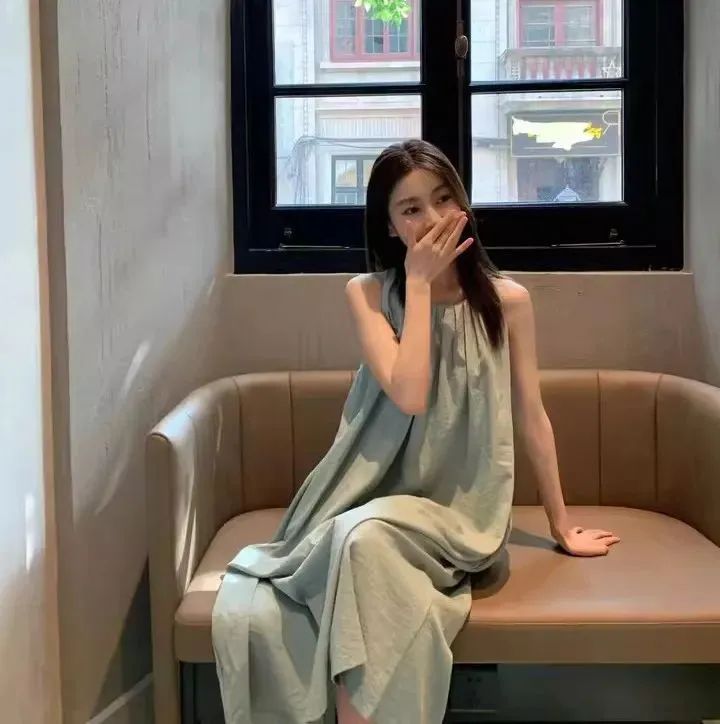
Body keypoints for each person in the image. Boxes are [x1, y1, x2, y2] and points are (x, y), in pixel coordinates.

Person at [212, 139, 620, 724]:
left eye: (443, 199)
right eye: (410, 209)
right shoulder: (368, 294)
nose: (432, 219)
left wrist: (562, 524)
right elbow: (410, 393)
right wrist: (420, 285)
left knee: (361, 542)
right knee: (357, 540)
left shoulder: (509, 302)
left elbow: (532, 414)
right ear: (389, 225)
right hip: (370, 499)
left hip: (461, 514)